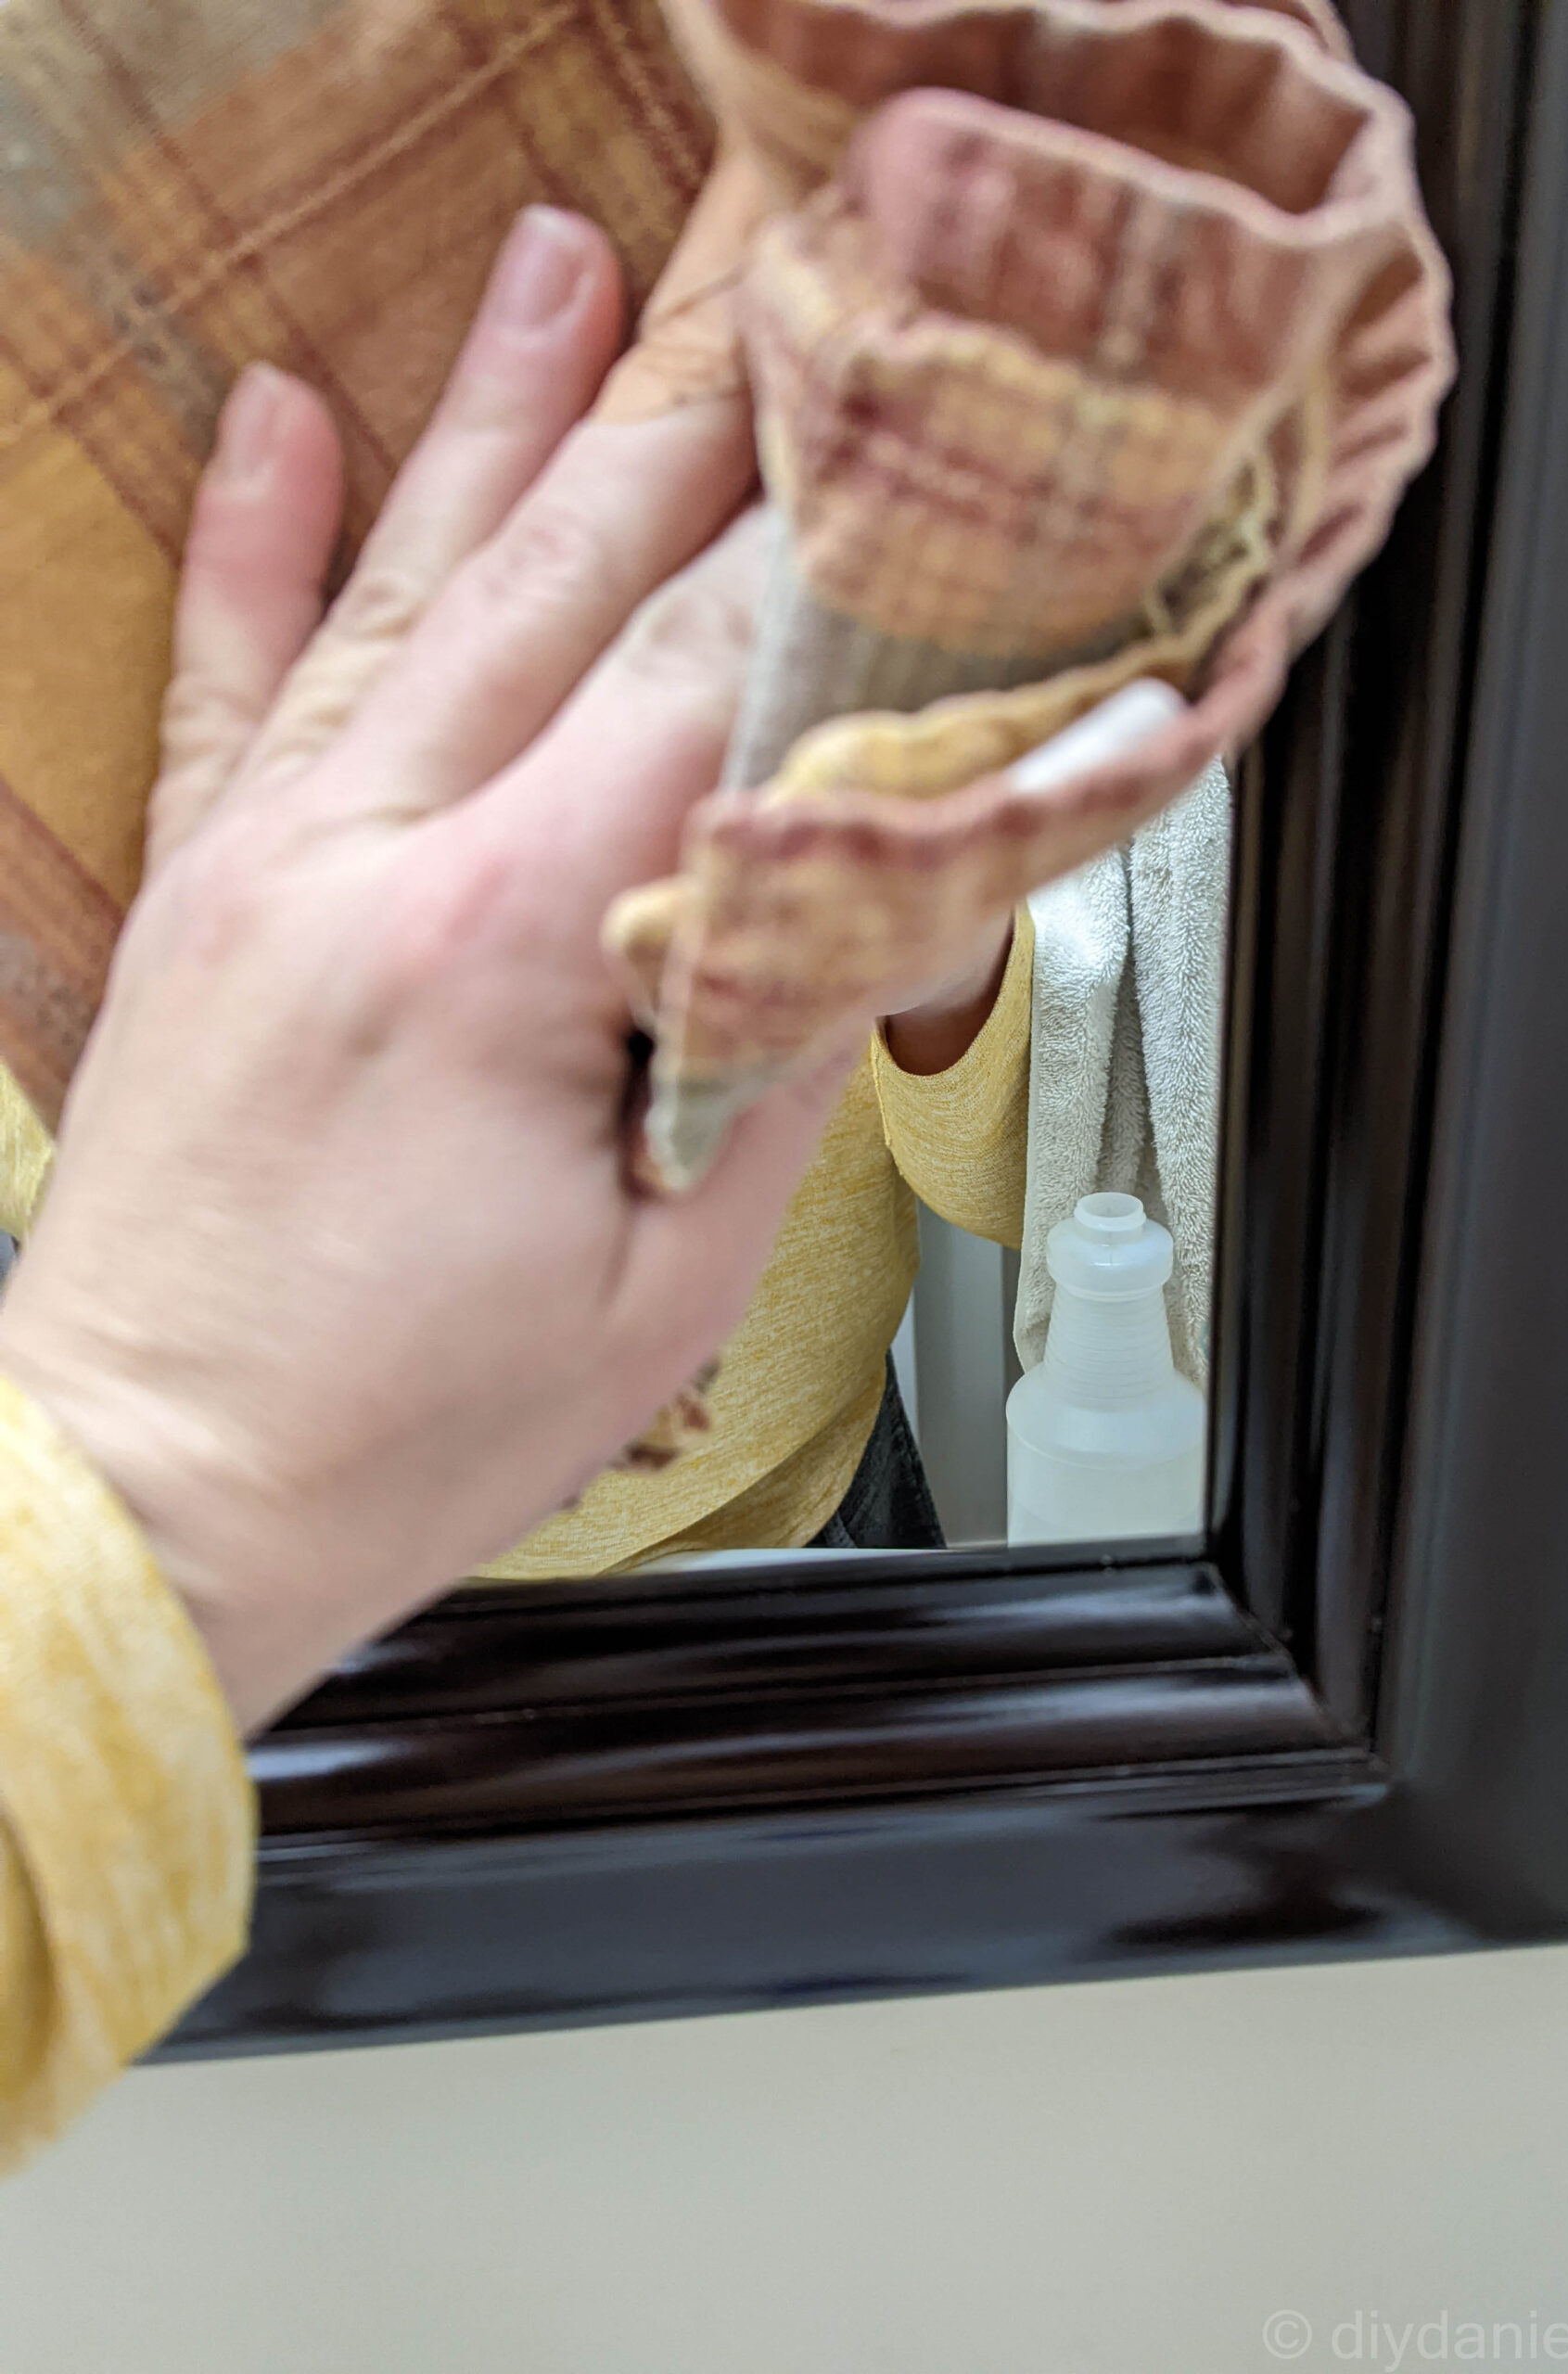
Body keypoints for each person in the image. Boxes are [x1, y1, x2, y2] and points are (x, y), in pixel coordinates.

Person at [0, 211, 1021, 2169]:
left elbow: (1019, 1191)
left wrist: (938, 983)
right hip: (260, 1665)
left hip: (786, 1549)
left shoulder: (834, 689)